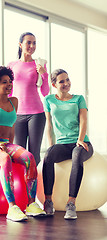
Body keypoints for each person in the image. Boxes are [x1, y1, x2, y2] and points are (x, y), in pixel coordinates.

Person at [0, 66, 46, 222]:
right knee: (5, 159)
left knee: (29, 157)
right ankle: (12, 207)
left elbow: (12, 128)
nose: (9, 85)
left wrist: (14, 148)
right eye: (4, 82)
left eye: (10, 81)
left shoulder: (14, 101)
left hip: (6, 144)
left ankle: (31, 204)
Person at [42, 69, 94, 219]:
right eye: (61, 81)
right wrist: (51, 145)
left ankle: (71, 203)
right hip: (62, 144)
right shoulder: (49, 100)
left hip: (82, 142)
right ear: (54, 84)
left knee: (77, 155)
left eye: (67, 80)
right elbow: (49, 125)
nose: (66, 83)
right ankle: (48, 201)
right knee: (48, 156)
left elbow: (84, 120)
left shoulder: (78, 99)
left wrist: (80, 139)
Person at [8, 32, 49, 166]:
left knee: (34, 153)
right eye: (28, 43)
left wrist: (44, 75)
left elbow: (45, 92)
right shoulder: (12, 65)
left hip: (36, 114)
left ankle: (36, 185)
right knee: (19, 153)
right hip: (17, 114)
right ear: (20, 45)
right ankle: (21, 184)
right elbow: (9, 92)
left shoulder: (39, 65)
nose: (32, 46)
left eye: (34, 43)